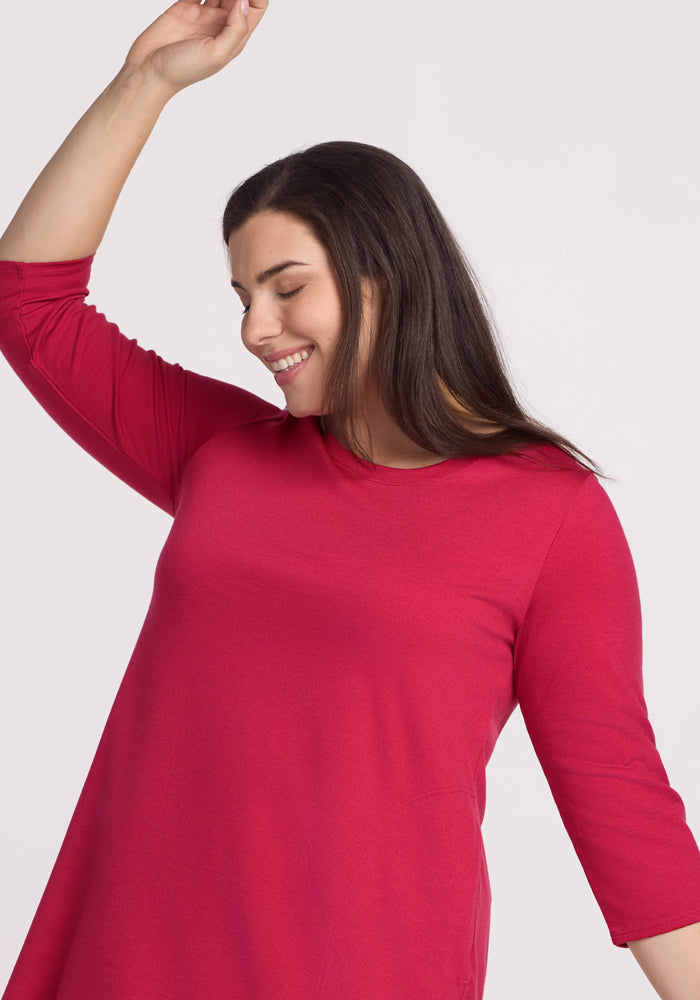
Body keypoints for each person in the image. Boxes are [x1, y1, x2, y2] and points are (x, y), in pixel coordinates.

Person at [1, 1, 699, 997]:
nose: (256, 327)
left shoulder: (548, 513)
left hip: (359, 969)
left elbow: (618, 798)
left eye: (286, 286)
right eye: (242, 294)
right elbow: (31, 305)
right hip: (135, 962)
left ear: (388, 277)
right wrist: (143, 84)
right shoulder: (224, 451)